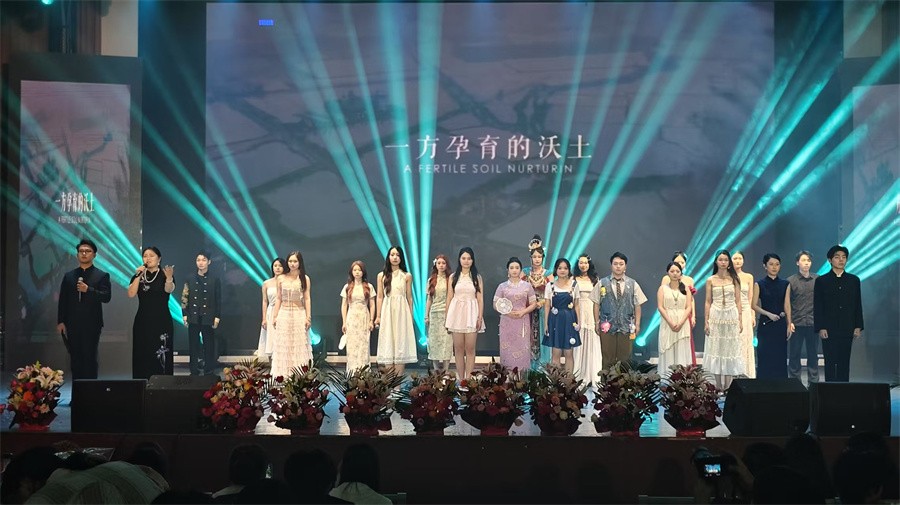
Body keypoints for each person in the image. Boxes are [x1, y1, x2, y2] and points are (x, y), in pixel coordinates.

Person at [56, 239, 111, 380]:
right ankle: (77, 391)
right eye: (81, 251)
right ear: (77, 255)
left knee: (90, 357)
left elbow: (106, 297)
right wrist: (61, 321)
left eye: (88, 251)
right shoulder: (69, 276)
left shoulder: (102, 275)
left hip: (92, 323)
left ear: (94, 255)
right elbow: (63, 300)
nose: (84, 254)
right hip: (72, 323)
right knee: (75, 358)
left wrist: (88, 290)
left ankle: (91, 391)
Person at [813, 245, 863, 382]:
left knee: (844, 361)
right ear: (830, 260)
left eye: (844, 257)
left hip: (847, 326)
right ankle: (829, 390)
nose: (841, 260)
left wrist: (858, 326)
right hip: (828, 328)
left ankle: (844, 390)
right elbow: (818, 306)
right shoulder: (821, 281)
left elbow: (857, 304)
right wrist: (821, 327)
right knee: (830, 361)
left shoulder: (853, 280)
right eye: (837, 257)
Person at [591, 252, 647, 370]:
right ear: (611, 265)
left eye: (621, 264)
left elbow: (637, 305)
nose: (618, 266)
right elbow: (596, 304)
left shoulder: (633, 284)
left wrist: (637, 324)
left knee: (625, 359)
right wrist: (596, 323)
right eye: (615, 264)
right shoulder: (602, 283)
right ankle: (606, 382)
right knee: (607, 359)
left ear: (625, 266)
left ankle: (623, 382)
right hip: (607, 327)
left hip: (626, 326)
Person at [128, 246, 175, 379]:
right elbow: (131, 294)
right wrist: (138, 276)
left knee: (161, 352)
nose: (147, 258)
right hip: (142, 320)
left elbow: (169, 290)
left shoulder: (164, 275)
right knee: (142, 351)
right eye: (145, 256)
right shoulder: (138, 275)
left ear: (159, 259)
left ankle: (162, 383)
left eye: (151, 255)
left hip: (161, 320)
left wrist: (169, 278)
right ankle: (142, 382)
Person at [703, 250, 744, 390]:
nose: (723, 262)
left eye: (726, 260)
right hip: (716, 316)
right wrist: (706, 321)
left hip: (731, 316)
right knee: (716, 348)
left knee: (729, 349)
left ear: (729, 262)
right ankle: (718, 385)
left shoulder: (734, 279)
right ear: (716, 261)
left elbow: (738, 301)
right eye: (720, 259)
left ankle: (728, 386)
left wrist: (740, 319)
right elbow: (708, 301)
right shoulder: (710, 280)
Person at [270, 251, 313, 379]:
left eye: (295, 261)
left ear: (300, 262)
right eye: (290, 261)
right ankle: (283, 375)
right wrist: (275, 316)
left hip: (299, 313)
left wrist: (308, 317)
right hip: (284, 313)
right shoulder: (281, 278)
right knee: (285, 344)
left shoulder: (304, 278)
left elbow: (307, 298)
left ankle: (299, 376)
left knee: (298, 344)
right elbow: (278, 298)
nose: (292, 264)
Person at [374, 246, 417, 374]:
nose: (395, 257)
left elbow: (409, 298)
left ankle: (398, 383)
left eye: (397, 255)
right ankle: (390, 383)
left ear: (401, 257)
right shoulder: (381, 276)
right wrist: (378, 316)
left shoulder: (406, 276)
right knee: (388, 342)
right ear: (388, 257)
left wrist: (410, 316)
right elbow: (380, 297)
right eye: (392, 255)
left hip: (402, 313)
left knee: (400, 344)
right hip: (387, 312)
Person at [446, 247, 485, 379]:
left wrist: (479, 317)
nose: (466, 261)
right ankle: (461, 378)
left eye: (469, 258)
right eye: (464, 258)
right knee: (458, 349)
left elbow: (480, 299)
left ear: (472, 260)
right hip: (456, 315)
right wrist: (447, 318)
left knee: (470, 348)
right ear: (459, 259)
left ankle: (468, 380)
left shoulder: (477, 277)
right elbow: (449, 298)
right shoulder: (453, 277)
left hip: (471, 314)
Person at [181, 251, 222, 376]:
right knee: (193, 345)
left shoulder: (215, 279)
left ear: (209, 262)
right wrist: (184, 314)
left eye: (204, 260)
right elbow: (184, 297)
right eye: (198, 260)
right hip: (193, 315)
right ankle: (193, 370)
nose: (201, 263)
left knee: (209, 344)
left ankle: (209, 370)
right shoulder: (190, 278)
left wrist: (217, 316)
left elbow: (218, 299)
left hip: (208, 316)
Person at [493, 257, 537, 373]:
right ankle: (507, 378)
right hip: (507, 322)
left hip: (522, 321)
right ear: (508, 270)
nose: (514, 270)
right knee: (507, 350)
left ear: (520, 270)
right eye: (511, 268)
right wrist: (507, 312)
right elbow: (495, 304)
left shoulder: (527, 286)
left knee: (523, 348)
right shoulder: (502, 286)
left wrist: (523, 312)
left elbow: (534, 303)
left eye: (517, 268)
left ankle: (523, 378)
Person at [751, 253, 791, 378]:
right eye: (771, 264)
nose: (774, 267)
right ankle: (764, 385)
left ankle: (780, 385)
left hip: (780, 325)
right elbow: (753, 305)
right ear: (765, 266)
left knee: (780, 356)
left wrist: (789, 324)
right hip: (765, 325)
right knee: (765, 356)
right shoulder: (759, 284)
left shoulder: (785, 284)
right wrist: (768, 314)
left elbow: (787, 305)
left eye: (777, 264)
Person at [659, 251, 697, 365]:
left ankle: (684, 370)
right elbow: (662, 302)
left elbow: (691, 301)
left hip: (684, 316)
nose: (680, 264)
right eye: (677, 262)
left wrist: (693, 316)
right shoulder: (665, 280)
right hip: (669, 316)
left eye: (682, 262)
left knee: (684, 344)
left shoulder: (689, 280)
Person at [787, 251, 819, 384]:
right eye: (803, 260)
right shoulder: (791, 281)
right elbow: (787, 303)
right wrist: (789, 322)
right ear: (797, 262)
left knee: (813, 355)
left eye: (809, 261)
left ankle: (814, 383)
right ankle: (795, 383)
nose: (806, 263)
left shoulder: (817, 279)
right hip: (797, 323)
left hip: (813, 323)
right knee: (794, 354)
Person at [544, 258, 580, 373]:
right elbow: (547, 306)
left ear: (569, 270)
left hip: (570, 320)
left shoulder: (574, 285)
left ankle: (569, 380)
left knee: (569, 353)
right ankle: (556, 381)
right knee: (556, 352)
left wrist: (579, 322)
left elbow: (577, 305)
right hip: (555, 320)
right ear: (556, 270)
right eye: (560, 268)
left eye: (565, 268)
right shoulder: (550, 286)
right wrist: (546, 324)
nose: (562, 270)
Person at [522, 235, 552, 368]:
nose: (537, 259)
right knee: (526, 338)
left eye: (539, 256)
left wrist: (542, 302)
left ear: (543, 258)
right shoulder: (525, 272)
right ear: (531, 258)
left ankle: (543, 370)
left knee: (543, 337)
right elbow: (519, 290)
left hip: (543, 310)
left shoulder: (548, 274)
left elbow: (553, 293)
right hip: (528, 310)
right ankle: (528, 369)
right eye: (534, 256)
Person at [340, 261, 376, 373]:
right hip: (351, 318)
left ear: (363, 272)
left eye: (359, 270)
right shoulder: (347, 287)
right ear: (351, 272)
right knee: (352, 346)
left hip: (364, 317)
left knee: (364, 345)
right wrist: (344, 322)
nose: (357, 272)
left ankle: (364, 373)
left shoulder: (369, 287)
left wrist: (371, 321)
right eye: (355, 270)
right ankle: (352, 372)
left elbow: (372, 304)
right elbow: (344, 305)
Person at [573, 254, 602, 385]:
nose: (583, 265)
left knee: (592, 339)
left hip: (591, 309)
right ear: (578, 264)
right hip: (578, 309)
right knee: (579, 340)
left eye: (585, 263)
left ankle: (592, 375)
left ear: (589, 264)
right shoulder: (573, 279)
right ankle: (578, 374)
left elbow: (598, 299)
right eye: (581, 263)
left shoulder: (595, 279)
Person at [425, 255, 453, 371]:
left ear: (447, 265)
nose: (441, 265)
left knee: (447, 342)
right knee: (434, 342)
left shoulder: (450, 279)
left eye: (443, 263)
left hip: (447, 314)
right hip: (434, 314)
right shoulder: (431, 280)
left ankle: (446, 371)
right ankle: (436, 370)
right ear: (435, 265)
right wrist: (426, 316)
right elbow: (429, 299)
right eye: (439, 263)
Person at [732, 251, 756, 377]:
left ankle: (746, 372)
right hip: (731, 312)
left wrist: (752, 315)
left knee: (745, 341)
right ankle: (733, 373)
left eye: (740, 258)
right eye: (735, 258)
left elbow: (751, 298)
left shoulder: (748, 277)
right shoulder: (726, 277)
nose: (738, 261)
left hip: (746, 311)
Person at [256, 258, 285, 359]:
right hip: (271, 312)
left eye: (280, 266)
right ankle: (272, 366)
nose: (277, 268)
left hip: (284, 311)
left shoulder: (287, 282)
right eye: (275, 266)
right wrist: (264, 318)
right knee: (270, 340)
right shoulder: (266, 283)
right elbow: (264, 301)